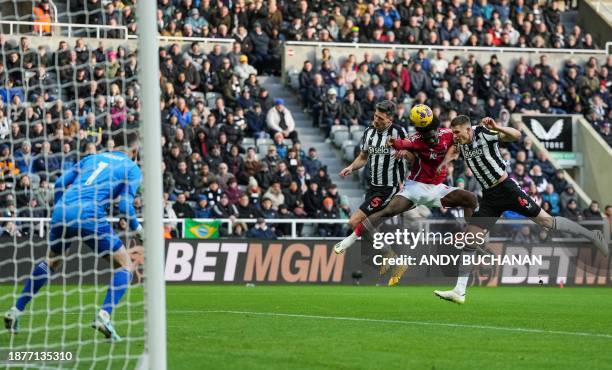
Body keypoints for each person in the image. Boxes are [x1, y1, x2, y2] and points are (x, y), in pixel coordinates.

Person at [434, 115, 607, 304]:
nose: (455, 136)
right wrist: (445, 162)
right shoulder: (461, 142)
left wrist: (498, 127)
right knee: (470, 241)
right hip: (490, 197)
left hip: (507, 189)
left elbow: (516, 135)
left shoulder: (483, 133)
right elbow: (454, 149)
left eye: (457, 132)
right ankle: (459, 291)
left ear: (468, 129)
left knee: (547, 222)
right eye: (454, 133)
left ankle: (592, 236)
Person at [5, 132, 143, 340]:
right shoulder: (132, 168)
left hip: (63, 210)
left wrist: (61, 208)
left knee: (52, 261)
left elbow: (59, 184)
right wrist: (139, 231)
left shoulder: (92, 158)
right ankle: (104, 316)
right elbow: (125, 205)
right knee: (124, 265)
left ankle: (15, 310)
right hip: (90, 214)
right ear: (135, 151)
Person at [335, 109, 478, 286]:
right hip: (415, 187)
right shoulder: (414, 140)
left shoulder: (448, 134)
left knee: (471, 199)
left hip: (438, 189)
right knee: (387, 212)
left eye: (432, 133)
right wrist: (396, 144)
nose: (431, 137)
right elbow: (404, 146)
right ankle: (352, 242)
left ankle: (471, 239)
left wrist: (444, 163)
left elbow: (455, 150)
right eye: (426, 135)